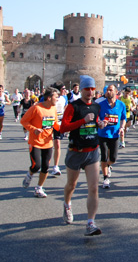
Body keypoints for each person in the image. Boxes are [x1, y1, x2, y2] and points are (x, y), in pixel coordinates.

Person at [60, 75, 102, 236]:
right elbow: (63, 128)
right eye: (87, 89)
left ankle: (90, 223)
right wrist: (82, 120)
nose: (90, 92)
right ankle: (67, 204)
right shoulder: (73, 106)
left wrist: (100, 123)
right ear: (82, 89)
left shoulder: (97, 107)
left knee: (93, 188)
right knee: (72, 185)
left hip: (92, 151)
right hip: (76, 152)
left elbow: (96, 121)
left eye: (92, 89)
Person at [20, 87, 60, 198]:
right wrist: (33, 129)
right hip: (35, 141)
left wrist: (63, 128)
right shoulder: (36, 108)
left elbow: (55, 124)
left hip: (48, 142)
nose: (57, 99)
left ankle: (39, 188)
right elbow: (23, 121)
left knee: (45, 167)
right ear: (49, 98)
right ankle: (30, 174)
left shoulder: (53, 109)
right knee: (36, 165)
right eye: (56, 97)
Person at [97, 85, 127, 189]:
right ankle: (105, 178)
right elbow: (97, 119)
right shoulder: (100, 105)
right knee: (104, 156)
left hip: (115, 134)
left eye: (110, 90)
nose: (108, 92)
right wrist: (100, 122)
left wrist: (122, 127)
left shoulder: (121, 105)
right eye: (106, 91)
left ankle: (109, 165)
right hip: (103, 134)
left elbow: (123, 118)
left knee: (113, 158)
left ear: (116, 92)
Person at [50, 83, 68, 176]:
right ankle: (45, 162)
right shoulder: (50, 98)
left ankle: (55, 166)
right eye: (63, 88)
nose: (65, 90)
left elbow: (65, 110)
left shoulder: (64, 98)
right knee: (47, 146)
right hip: (48, 123)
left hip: (59, 124)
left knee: (57, 143)